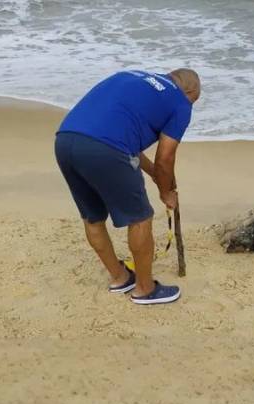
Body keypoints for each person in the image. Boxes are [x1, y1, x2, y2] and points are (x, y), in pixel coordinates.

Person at [54, 68, 200, 305]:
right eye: (194, 101)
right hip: (105, 148)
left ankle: (120, 277)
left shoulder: (130, 76)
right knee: (141, 218)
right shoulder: (180, 102)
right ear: (191, 91)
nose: (191, 106)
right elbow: (165, 156)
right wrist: (166, 192)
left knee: (92, 218)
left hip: (65, 140)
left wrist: (154, 174)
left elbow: (123, 138)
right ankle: (144, 289)